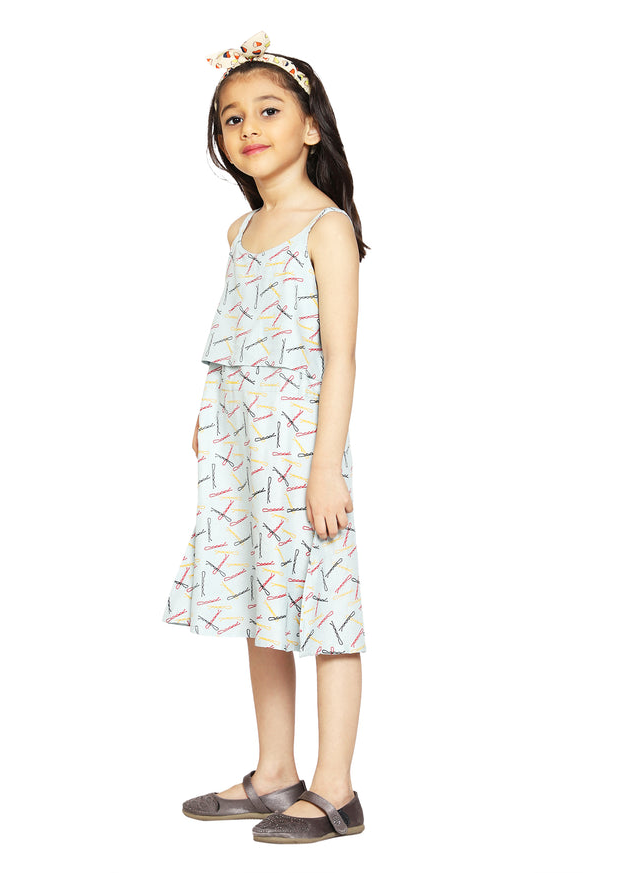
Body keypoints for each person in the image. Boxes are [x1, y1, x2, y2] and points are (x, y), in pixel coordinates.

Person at [161, 30, 369, 844]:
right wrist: (206, 419)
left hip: (303, 453)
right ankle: (275, 771)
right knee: (261, 604)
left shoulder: (326, 227)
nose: (248, 127)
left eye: (268, 110)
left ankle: (336, 789)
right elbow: (237, 334)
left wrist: (325, 467)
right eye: (231, 117)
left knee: (326, 609)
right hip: (244, 452)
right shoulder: (240, 232)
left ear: (311, 126)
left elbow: (340, 355)